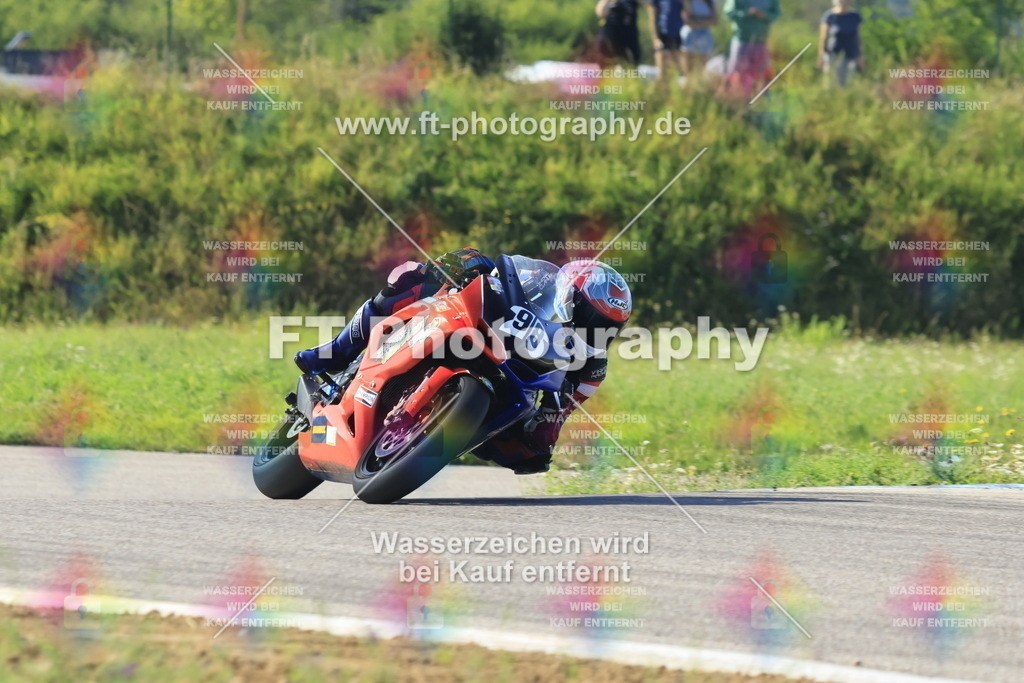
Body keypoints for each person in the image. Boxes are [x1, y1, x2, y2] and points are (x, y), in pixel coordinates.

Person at [294, 248, 633, 475]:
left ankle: (437, 433)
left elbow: (561, 410)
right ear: (570, 295)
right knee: (407, 284)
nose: (597, 330)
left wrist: (551, 417)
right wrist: (461, 263)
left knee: (533, 453)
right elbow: (500, 272)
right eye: (593, 317)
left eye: (607, 326)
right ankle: (334, 352)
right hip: (470, 326)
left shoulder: (593, 365)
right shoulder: (542, 281)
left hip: (515, 381)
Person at [723, 0, 780, 95]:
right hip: (741, 40)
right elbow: (728, 13)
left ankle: (759, 101)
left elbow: (776, 13)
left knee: (762, 73)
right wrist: (747, 12)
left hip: (761, 42)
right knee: (736, 72)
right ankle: (732, 99)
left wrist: (765, 15)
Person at [818, 0, 863, 87]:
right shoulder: (829, 16)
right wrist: (821, 57)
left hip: (850, 56)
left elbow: (858, 38)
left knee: (849, 84)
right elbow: (823, 38)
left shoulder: (855, 16)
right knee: (831, 84)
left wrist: (860, 56)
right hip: (833, 56)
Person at [646, 0, 687, 83]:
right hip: (663, 36)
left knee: (676, 73)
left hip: (679, 36)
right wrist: (656, 38)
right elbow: (652, 17)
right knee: (661, 73)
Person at [680, 0, 719, 83]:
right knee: (688, 71)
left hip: (705, 38)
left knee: (702, 69)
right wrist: (706, 22)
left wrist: (697, 22)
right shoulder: (688, 2)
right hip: (689, 37)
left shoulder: (709, 2)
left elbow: (715, 21)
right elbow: (689, 21)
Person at [595, 0, 642, 66]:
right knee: (612, 55)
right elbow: (601, 13)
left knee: (633, 58)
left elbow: (647, 4)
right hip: (612, 32)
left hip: (629, 31)